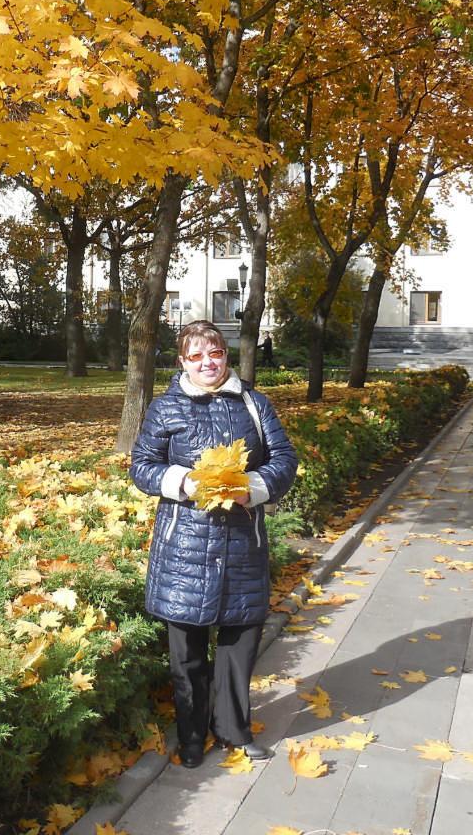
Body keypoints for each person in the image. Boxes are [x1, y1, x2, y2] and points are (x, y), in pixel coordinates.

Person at [130, 320, 299, 769]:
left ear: (226, 356)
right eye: (197, 356)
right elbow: (141, 467)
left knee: (238, 646)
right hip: (184, 547)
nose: (208, 363)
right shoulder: (166, 409)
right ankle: (190, 736)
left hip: (243, 543)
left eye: (216, 354)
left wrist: (254, 488)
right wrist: (183, 481)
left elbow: (284, 459)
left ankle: (233, 730)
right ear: (183, 361)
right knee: (186, 653)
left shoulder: (254, 403)